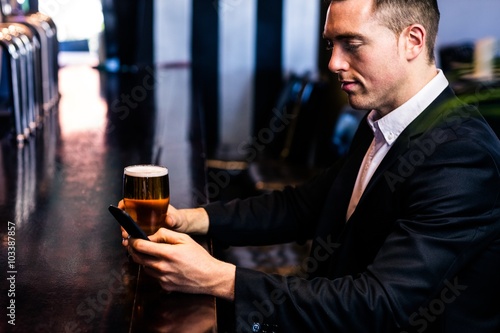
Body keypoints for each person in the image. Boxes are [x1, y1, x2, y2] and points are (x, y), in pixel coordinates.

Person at [121, 0, 500, 331]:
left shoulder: (462, 155)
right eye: (331, 44)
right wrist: (187, 219)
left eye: (352, 44)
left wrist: (219, 278)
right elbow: (302, 206)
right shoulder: (382, 120)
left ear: (413, 41)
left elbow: (381, 304)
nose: (334, 62)